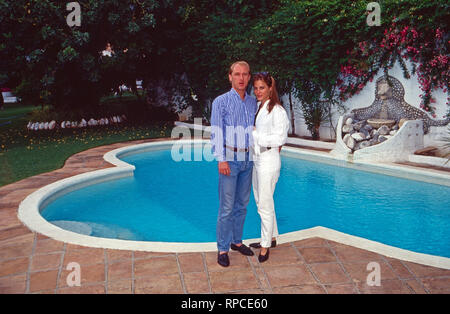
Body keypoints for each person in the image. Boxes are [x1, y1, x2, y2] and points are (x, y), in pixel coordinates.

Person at [210, 61, 257, 267]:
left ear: (249, 77)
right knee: (227, 207)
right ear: (230, 77)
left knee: (242, 205)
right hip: (230, 159)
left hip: (248, 159)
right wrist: (221, 159)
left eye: (245, 74)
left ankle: (236, 242)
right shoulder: (220, 102)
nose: (241, 78)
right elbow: (216, 132)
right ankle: (222, 248)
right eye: (237, 74)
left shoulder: (253, 101)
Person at [249, 72, 289, 262]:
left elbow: (280, 138)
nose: (258, 91)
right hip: (257, 160)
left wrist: (256, 136)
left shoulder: (278, 111)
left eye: (262, 87)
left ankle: (265, 246)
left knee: (264, 204)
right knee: (261, 201)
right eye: (256, 87)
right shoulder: (259, 106)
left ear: (270, 88)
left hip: (268, 160)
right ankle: (271, 237)